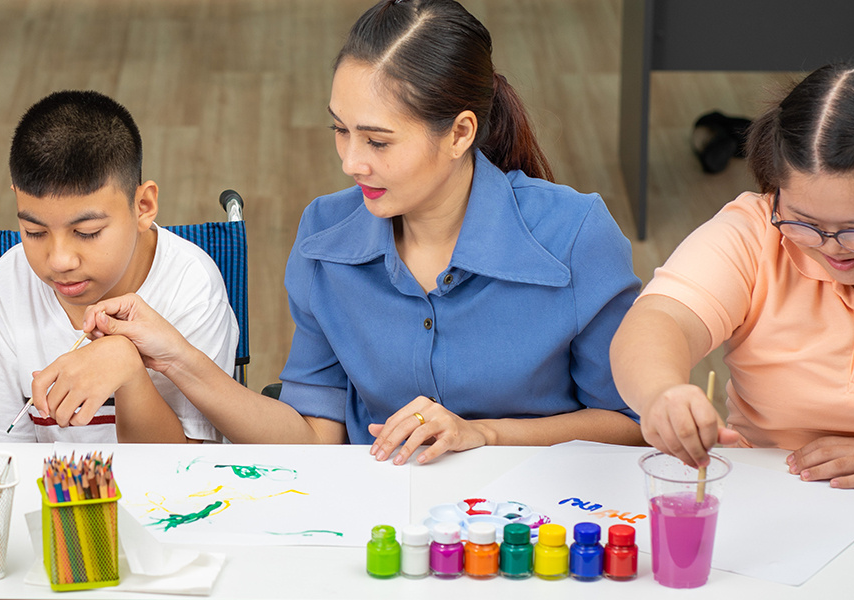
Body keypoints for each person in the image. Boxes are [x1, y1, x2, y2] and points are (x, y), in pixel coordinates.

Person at [73, 0, 643, 462]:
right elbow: (315, 441)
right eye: (340, 131)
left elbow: (631, 426)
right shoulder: (326, 236)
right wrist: (175, 356)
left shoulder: (573, 235)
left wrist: (484, 435)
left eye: (377, 140)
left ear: (460, 132)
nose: (351, 161)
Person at [610, 63, 854, 493]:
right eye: (804, 222)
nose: (830, 247)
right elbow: (659, 322)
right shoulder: (757, 233)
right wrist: (660, 393)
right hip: (764, 492)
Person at [0, 90, 238, 443]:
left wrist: (129, 370)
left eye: (87, 232)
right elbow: (5, 454)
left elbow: (187, 467)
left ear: (143, 205)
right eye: (34, 231)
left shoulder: (190, 287)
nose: (60, 260)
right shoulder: (7, 283)